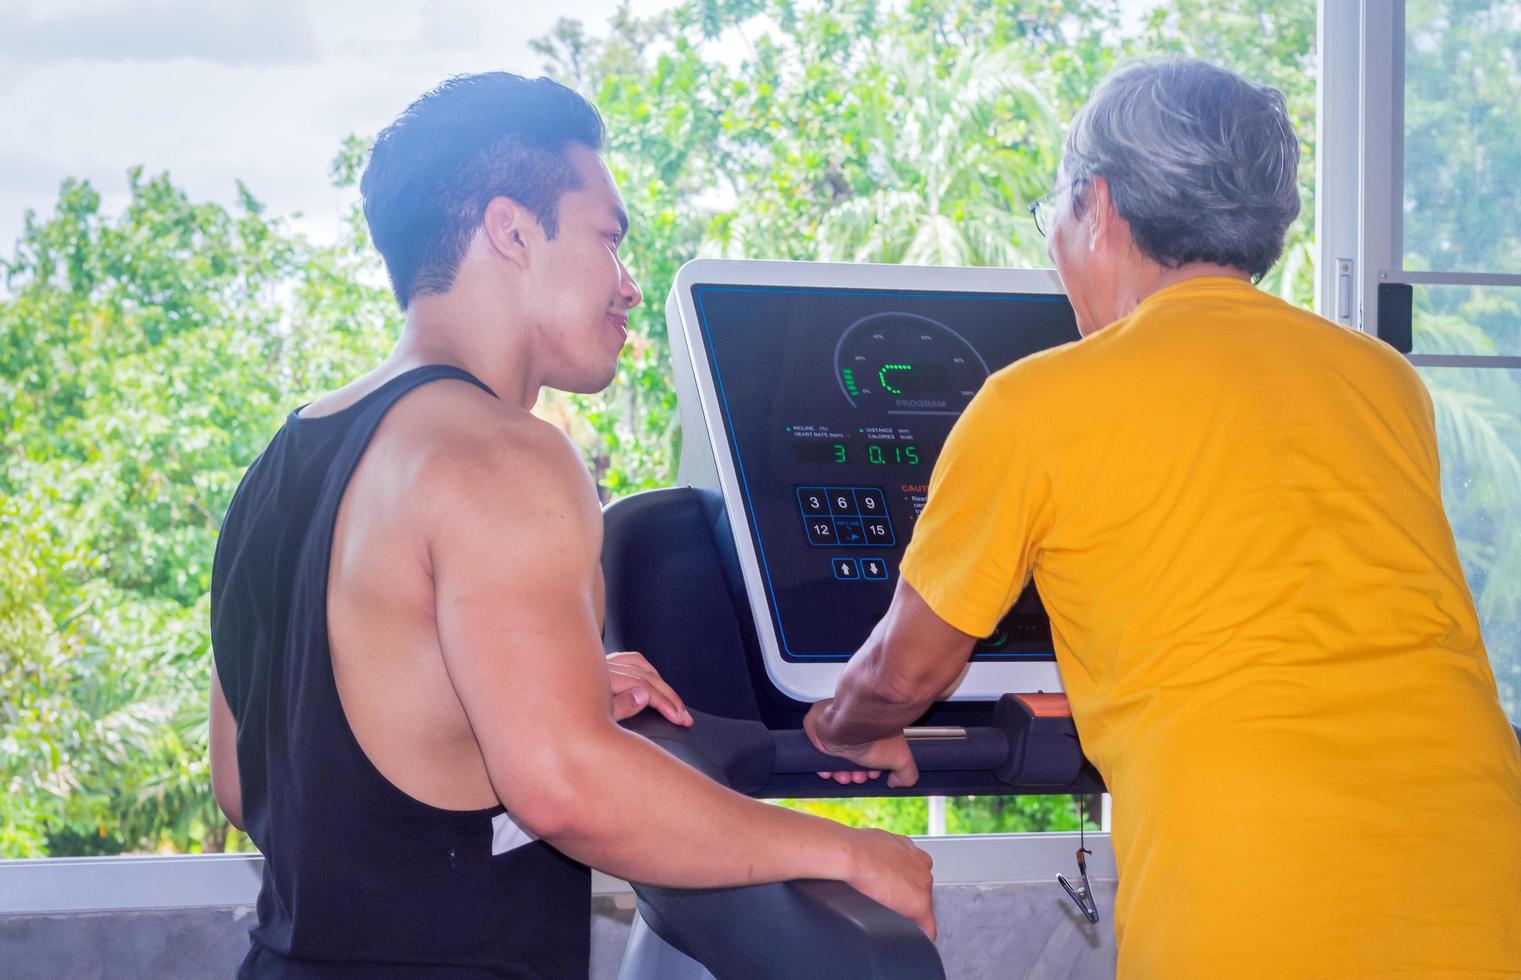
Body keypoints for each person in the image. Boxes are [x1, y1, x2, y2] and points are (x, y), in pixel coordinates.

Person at [803, 58, 1521, 978]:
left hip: (1251, 893)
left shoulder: (1035, 403)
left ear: (1097, 206)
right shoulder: (1381, 378)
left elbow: (906, 672)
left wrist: (842, 729)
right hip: (1481, 865)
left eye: (1055, 214)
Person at [208, 72, 933, 979]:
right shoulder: (506, 453)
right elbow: (562, 786)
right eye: (608, 240)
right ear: (512, 231)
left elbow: (246, 783)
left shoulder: (280, 463)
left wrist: (540, 687)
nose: (629, 287)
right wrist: (843, 851)